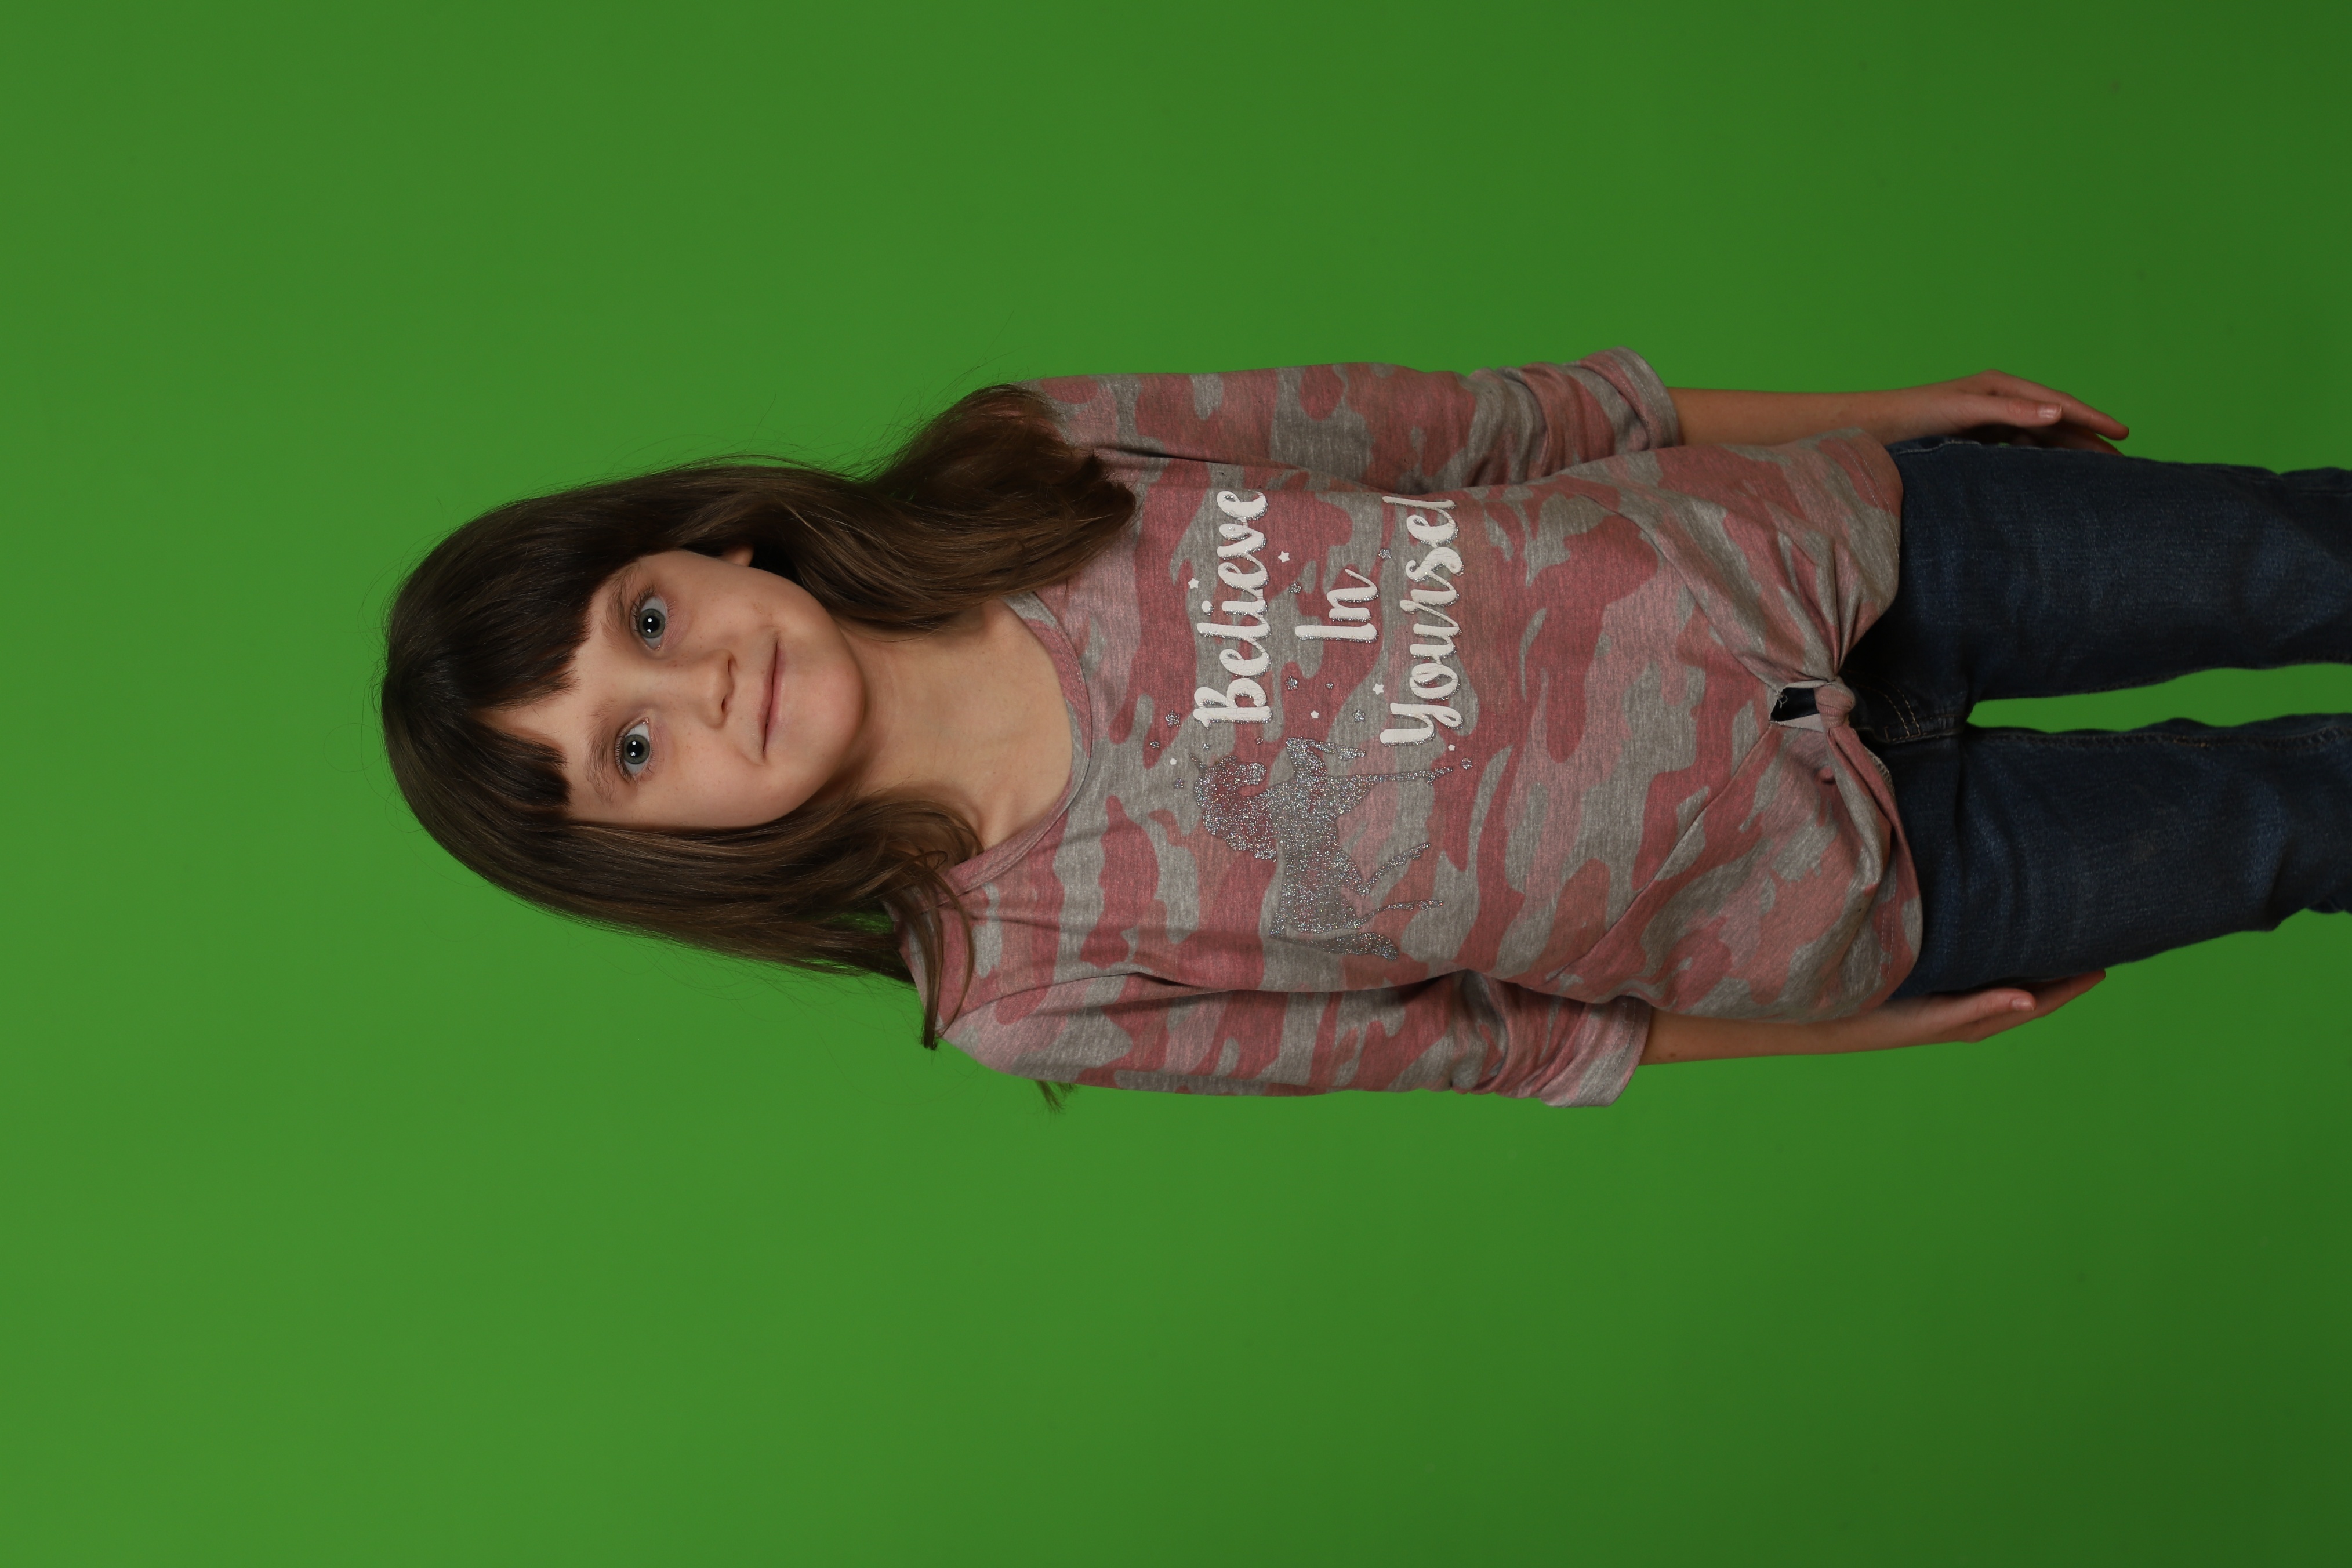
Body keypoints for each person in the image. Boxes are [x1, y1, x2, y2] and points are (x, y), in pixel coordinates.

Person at [380, 351, 2352, 1108]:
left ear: (700, 545)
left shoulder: (1033, 455)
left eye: (644, 621)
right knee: (2300, 827)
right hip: (1845, 891)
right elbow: (1476, 1042)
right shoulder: (1021, 985)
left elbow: (1494, 427)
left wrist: (1874, 409)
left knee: (2297, 554)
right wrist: (1840, 1032)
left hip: (1837, 547)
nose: (698, 685)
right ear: (651, 849)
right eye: (630, 751)